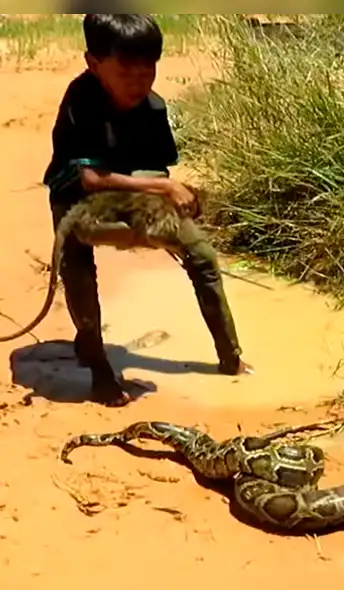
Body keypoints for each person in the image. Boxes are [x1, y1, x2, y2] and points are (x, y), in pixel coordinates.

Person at [42, 14, 252, 407]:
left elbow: (156, 168)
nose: (139, 81)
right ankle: (99, 369)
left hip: (133, 189)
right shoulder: (81, 100)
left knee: (202, 254)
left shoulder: (153, 108)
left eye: (148, 69)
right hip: (77, 195)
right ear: (93, 63)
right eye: (126, 70)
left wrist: (169, 210)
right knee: (79, 271)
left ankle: (231, 357)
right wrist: (164, 187)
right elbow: (91, 179)